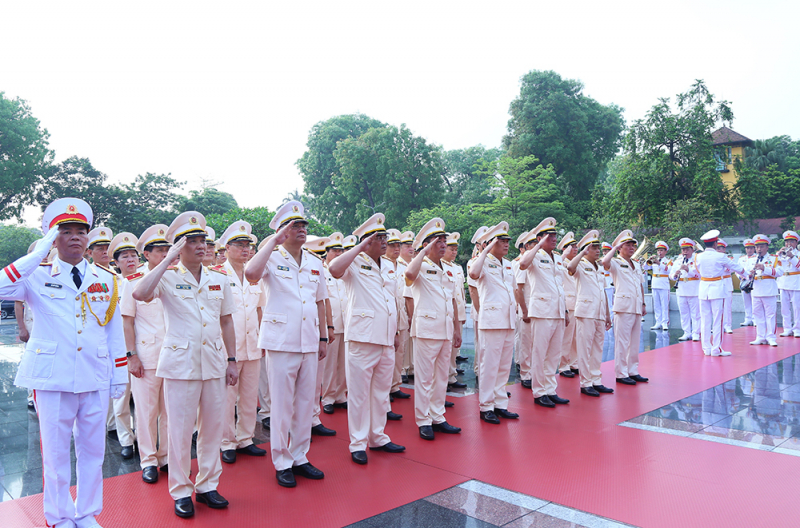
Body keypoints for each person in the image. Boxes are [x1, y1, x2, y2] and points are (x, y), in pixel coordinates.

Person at [0, 198, 128, 528]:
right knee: (56, 455)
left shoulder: (106, 278)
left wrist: (119, 374)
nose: (75, 237)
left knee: (93, 452)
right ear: (52, 237)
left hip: (95, 374)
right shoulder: (36, 275)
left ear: (88, 237)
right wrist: (38, 252)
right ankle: (58, 516)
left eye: (81, 231)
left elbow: (113, 331)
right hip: (53, 377)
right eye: (65, 231)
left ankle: (85, 514)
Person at [132, 211, 239, 518]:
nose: (200, 246)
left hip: (214, 362)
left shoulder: (219, 279)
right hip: (181, 363)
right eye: (192, 241)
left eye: (202, 240)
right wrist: (168, 259)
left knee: (213, 427)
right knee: (179, 430)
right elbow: (140, 293)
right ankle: (181, 489)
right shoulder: (165, 277)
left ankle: (207, 485)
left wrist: (232, 360)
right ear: (179, 246)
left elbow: (227, 322)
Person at [245, 201, 329, 487]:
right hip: (281, 341)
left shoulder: (315, 262)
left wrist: (323, 337)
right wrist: (272, 242)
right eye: (296, 226)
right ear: (282, 230)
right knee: (281, 405)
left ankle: (300, 456)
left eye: (304, 225)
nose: (302, 230)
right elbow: (251, 274)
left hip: (308, 340)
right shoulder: (270, 256)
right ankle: (281, 460)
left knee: (306, 402)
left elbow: (320, 302)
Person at [328, 213, 406, 464]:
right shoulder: (354, 262)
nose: (384, 242)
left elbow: (391, 301)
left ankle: (378, 436)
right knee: (360, 393)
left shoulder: (389, 267)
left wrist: (394, 333)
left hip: (384, 338)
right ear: (366, 241)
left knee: (381, 392)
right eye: (378, 238)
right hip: (362, 338)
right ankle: (358, 442)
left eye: (385, 237)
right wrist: (359, 246)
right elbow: (334, 269)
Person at [121, 224, 171, 484]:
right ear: (147, 254)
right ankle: (149, 460)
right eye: (159, 250)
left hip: (175, 356)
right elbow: (127, 321)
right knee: (146, 411)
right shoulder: (133, 281)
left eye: (167, 249)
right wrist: (132, 355)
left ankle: (166, 457)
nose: (164, 254)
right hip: (147, 355)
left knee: (171, 412)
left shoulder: (176, 276)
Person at [403, 218, 462, 440]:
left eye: (444, 240)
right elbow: (409, 275)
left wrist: (456, 328)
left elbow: (453, 300)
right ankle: (423, 420)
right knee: (425, 377)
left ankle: (438, 416)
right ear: (427, 244)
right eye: (439, 241)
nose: (443, 244)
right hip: (427, 329)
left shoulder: (447, 269)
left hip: (445, 329)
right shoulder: (420, 265)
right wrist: (424, 250)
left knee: (441, 376)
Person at [218, 221, 268, 464]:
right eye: (239, 245)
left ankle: (245, 438)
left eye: (248, 245)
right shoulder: (217, 275)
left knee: (249, 396)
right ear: (227, 248)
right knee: (228, 397)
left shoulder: (254, 274)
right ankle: (227, 441)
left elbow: (260, 310)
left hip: (253, 344)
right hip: (228, 348)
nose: (245, 249)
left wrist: (263, 338)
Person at [468, 222, 520, 423]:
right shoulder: (480, 261)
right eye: (501, 241)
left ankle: (499, 404)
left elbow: (513, 289)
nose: (506, 244)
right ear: (490, 244)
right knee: (489, 366)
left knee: (503, 366)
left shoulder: (507, 264)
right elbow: (473, 275)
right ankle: (486, 406)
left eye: (507, 240)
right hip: (491, 321)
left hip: (507, 320)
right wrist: (486, 249)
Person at [518, 218, 569, 408]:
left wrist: (564, 310)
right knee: (539, 353)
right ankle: (539, 392)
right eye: (550, 236)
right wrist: (538, 244)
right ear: (540, 238)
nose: (554, 239)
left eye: (555, 235)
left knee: (554, 353)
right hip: (541, 311)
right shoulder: (535, 256)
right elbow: (523, 264)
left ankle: (550, 389)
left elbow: (559, 286)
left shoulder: (556, 257)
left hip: (557, 311)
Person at [107, 232, 141, 460]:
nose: (130, 260)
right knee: (121, 399)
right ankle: (126, 440)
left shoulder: (148, 279)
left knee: (146, 400)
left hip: (146, 347)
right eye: (125, 257)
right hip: (119, 349)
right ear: (116, 263)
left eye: (133, 256)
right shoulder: (110, 284)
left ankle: (144, 437)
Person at [567, 230, 613, 397]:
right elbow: (570, 267)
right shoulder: (580, 264)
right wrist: (581, 253)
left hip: (599, 312)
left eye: (598, 247)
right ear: (586, 249)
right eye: (594, 247)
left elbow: (603, 292)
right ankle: (586, 383)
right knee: (585, 349)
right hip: (586, 312)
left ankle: (596, 380)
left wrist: (608, 314)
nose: (597, 250)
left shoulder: (599, 268)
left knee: (597, 348)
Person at [301, 236, 339, 436]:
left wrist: (328, 328)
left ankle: (314, 418)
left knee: (316, 380)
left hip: (317, 329)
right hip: (300, 331)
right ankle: (299, 423)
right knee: (300, 384)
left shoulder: (319, 268)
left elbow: (325, 302)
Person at [602, 230, 648, 384]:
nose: (631, 248)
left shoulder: (635, 263)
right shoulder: (616, 262)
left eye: (632, 245)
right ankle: (621, 373)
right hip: (623, 307)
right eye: (627, 245)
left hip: (635, 306)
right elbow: (604, 263)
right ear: (620, 248)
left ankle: (632, 370)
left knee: (635, 341)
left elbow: (640, 284)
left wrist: (642, 303)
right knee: (622, 342)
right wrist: (614, 249)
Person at [694, 229, 744, 357]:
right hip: (717, 288)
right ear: (715, 244)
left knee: (705, 320)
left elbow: (698, 271)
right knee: (717, 320)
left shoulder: (698, 256)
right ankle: (716, 348)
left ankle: (706, 348)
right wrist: (748, 274)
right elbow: (737, 268)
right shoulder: (720, 256)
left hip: (704, 288)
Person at [382, 229, 412, 402]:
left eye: (397, 246)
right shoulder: (382, 264)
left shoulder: (403, 267)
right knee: (387, 354)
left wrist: (408, 313)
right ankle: (385, 388)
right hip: (387, 315)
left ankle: (395, 385)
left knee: (400, 352)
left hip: (401, 314)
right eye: (392, 245)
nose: (395, 249)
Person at [321, 233, 348, 415]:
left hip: (348, 322)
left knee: (344, 362)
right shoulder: (321, 271)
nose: (338, 254)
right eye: (335, 251)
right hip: (330, 324)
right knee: (329, 364)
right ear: (327, 253)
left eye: (341, 250)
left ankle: (340, 395)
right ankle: (328, 397)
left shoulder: (345, 271)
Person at [747, 234, 783, 346]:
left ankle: (771, 337)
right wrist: (749, 274)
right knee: (757, 314)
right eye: (757, 247)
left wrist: (765, 268)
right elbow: (744, 273)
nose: (759, 249)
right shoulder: (751, 259)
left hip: (769, 290)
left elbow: (779, 272)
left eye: (762, 246)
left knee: (770, 314)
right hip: (756, 289)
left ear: (767, 247)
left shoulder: (774, 258)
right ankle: (760, 336)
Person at [442, 233, 467, 388]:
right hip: (446, 312)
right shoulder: (440, 266)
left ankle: (452, 375)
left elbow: (461, 293)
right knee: (445, 348)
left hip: (457, 311)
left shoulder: (457, 268)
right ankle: (445, 377)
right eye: (451, 249)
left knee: (454, 348)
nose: (454, 252)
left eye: (456, 249)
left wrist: (462, 311)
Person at [467, 226, 489, 379]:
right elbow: (473, 290)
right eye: (485, 243)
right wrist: (480, 312)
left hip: (494, 310)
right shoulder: (473, 262)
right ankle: (479, 371)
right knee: (481, 343)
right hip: (480, 308)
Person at [669, 238, 701, 342]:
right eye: (683, 249)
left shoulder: (697, 260)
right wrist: (674, 275)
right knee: (684, 313)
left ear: (692, 249)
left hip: (694, 290)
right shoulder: (678, 261)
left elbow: (700, 275)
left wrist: (688, 270)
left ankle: (696, 333)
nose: (685, 252)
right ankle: (686, 332)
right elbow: (670, 274)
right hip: (681, 290)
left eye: (687, 249)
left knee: (695, 313)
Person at [557, 232, 579, 379]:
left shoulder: (577, 263)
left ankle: (574, 363)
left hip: (579, 303)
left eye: (576, 247)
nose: (575, 249)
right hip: (568, 303)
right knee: (566, 338)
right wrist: (563, 255)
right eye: (572, 247)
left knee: (576, 338)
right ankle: (563, 365)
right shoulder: (560, 262)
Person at [778, 230, 800, 337]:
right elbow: (776, 266)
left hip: (796, 283)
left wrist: (792, 256)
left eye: (791, 241)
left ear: (796, 243)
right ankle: (787, 328)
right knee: (784, 307)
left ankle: (797, 329)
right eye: (787, 242)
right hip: (783, 282)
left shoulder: (798, 254)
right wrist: (779, 255)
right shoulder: (781, 253)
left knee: (797, 308)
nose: (789, 244)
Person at [649, 241, 672, 332]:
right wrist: (648, 261)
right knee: (656, 305)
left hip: (664, 284)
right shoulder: (654, 260)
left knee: (664, 305)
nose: (659, 252)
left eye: (661, 250)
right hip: (655, 284)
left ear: (665, 251)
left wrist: (659, 263)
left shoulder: (668, 261)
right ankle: (658, 322)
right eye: (658, 250)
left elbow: (668, 270)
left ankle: (665, 322)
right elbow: (646, 268)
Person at [716, 239, 734, 334]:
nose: (718, 250)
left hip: (726, 282)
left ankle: (727, 325)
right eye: (717, 248)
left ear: (724, 249)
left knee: (727, 306)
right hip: (717, 282)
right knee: (717, 307)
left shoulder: (729, 259)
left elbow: (730, 269)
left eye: (720, 248)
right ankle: (718, 326)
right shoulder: (714, 258)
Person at [738, 239, 757, 327]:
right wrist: (740, 276)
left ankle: (755, 319)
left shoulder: (757, 257)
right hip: (744, 282)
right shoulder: (741, 259)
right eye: (747, 248)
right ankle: (748, 318)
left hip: (754, 282)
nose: (749, 250)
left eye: (751, 248)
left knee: (755, 301)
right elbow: (737, 270)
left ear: (754, 249)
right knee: (746, 302)